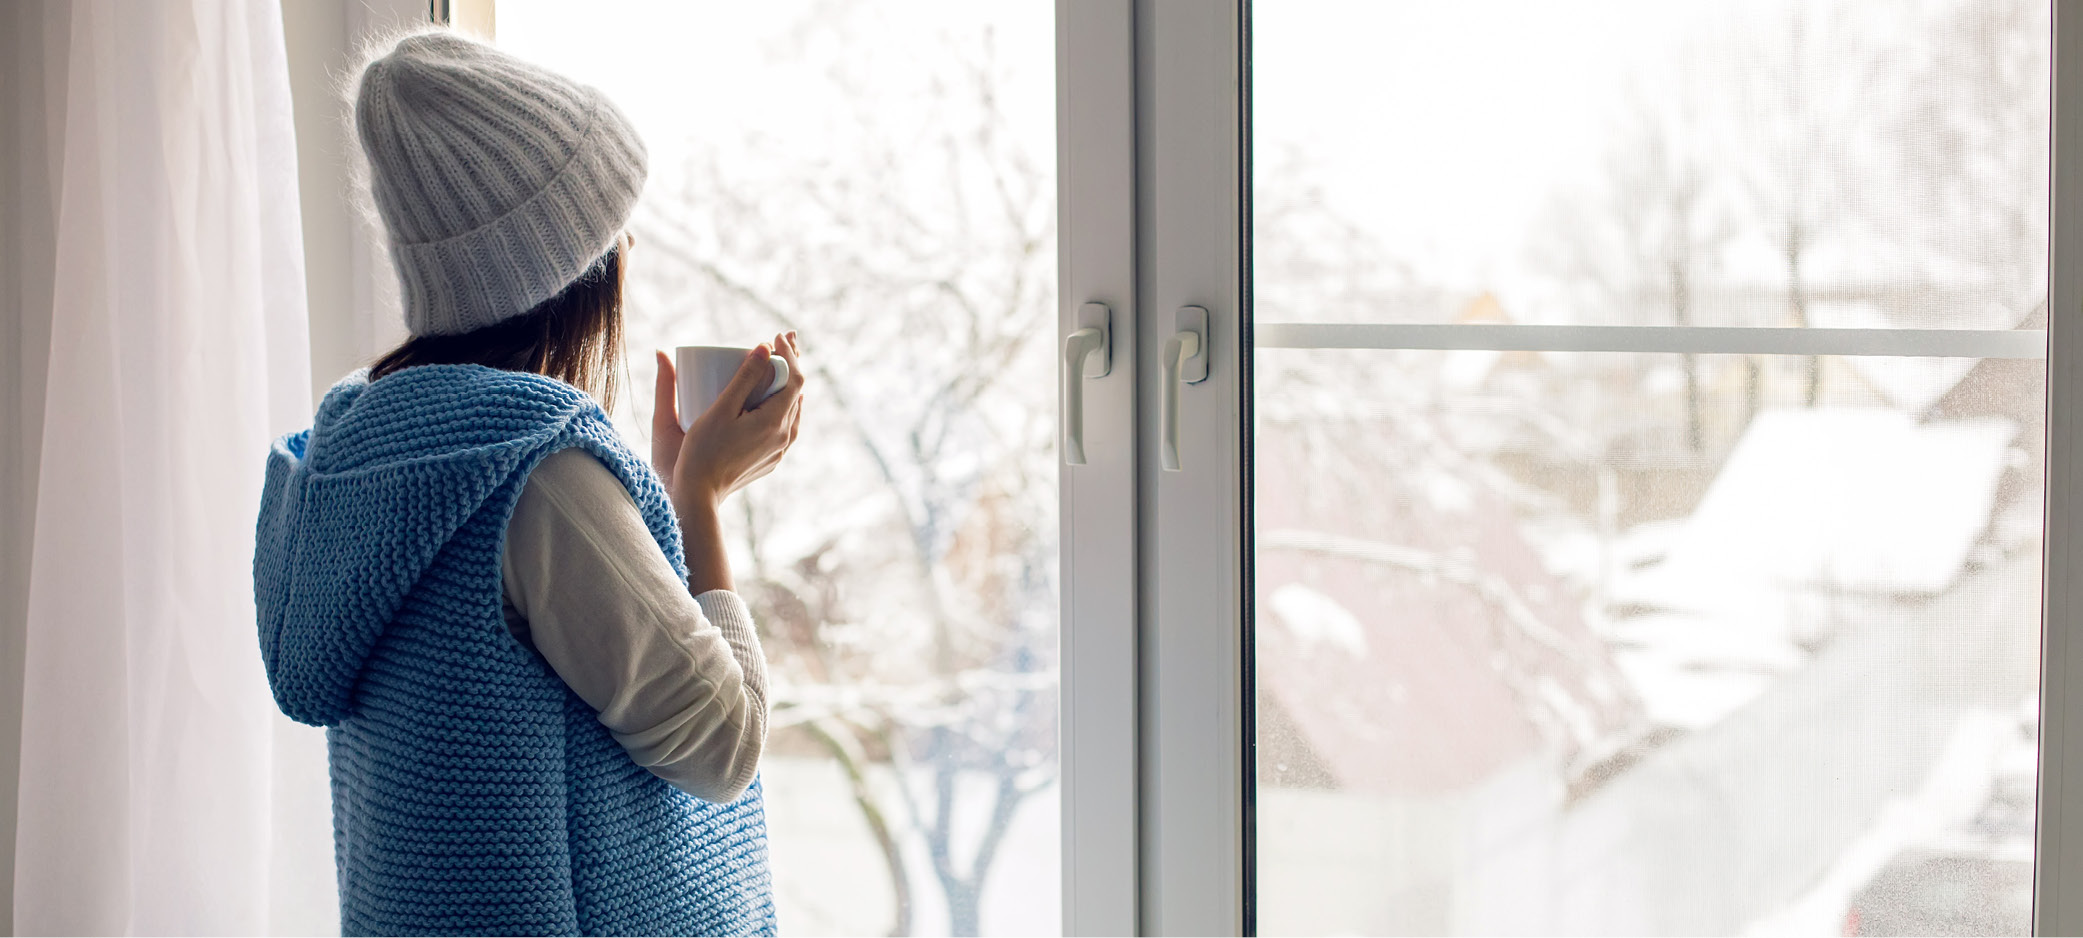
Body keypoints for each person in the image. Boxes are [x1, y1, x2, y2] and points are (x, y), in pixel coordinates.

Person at [252, 30, 799, 935]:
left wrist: (665, 483)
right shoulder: (534, 475)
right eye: (612, 231)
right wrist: (696, 500)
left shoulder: (356, 456)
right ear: (565, 270)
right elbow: (720, 744)